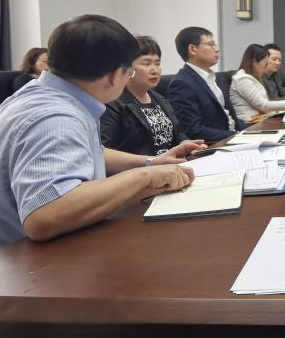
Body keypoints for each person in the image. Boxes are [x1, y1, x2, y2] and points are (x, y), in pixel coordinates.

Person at [0, 15, 198, 247]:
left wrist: (152, 162)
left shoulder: (47, 96)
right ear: (114, 76)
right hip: (29, 258)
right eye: (128, 73)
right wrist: (144, 176)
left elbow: (91, 150)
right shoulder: (56, 117)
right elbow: (45, 215)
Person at [101, 36, 192, 156]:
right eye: (147, 63)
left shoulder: (158, 98)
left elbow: (177, 133)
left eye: (157, 63)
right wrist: (152, 162)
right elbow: (105, 150)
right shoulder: (112, 102)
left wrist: (187, 145)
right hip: (140, 166)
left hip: (171, 163)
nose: (155, 70)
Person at [168, 27, 244, 142]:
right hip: (216, 144)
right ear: (192, 49)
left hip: (232, 137)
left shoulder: (213, 78)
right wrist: (237, 136)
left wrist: (251, 132)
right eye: (211, 44)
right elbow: (194, 130)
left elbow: (230, 119)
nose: (217, 49)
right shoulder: (181, 83)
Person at [231, 44, 285, 123]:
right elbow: (263, 105)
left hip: (261, 118)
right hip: (251, 122)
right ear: (254, 62)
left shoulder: (252, 77)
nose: (266, 67)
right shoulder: (243, 79)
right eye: (265, 63)